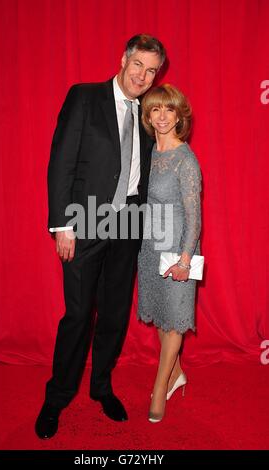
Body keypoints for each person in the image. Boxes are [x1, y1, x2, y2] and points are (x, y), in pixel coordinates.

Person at [35, 34, 166, 439]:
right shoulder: (85, 97)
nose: (143, 76)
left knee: (113, 313)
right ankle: (56, 398)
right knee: (77, 315)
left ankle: (101, 387)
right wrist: (63, 225)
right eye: (138, 65)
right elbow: (61, 163)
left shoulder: (149, 111)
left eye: (151, 70)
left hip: (128, 223)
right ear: (124, 59)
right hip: (85, 220)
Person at [137, 84, 202, 423]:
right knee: (161, 315)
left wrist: (185, 260)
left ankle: (161, 386)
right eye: (155, 110)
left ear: (179, 116)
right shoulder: (148, 152)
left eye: (169, 110)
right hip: (150, 245)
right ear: (148, 116)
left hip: (178, 247)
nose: (162, 117)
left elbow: (195, 217)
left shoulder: (185, 159)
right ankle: (177, 372)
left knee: (175, 320)